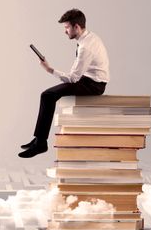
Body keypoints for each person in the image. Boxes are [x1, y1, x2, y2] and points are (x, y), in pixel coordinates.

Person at [19, 8, 110, 158]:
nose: (65, 31)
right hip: (88, 79)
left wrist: (49, 69)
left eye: (67, 27)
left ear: (76, 27)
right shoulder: (89, 38)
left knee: (48, 95)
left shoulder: (86, 47)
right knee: (48, 95)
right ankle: (38, 140)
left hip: (94, 85)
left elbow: (73, 78)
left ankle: (41, 143)